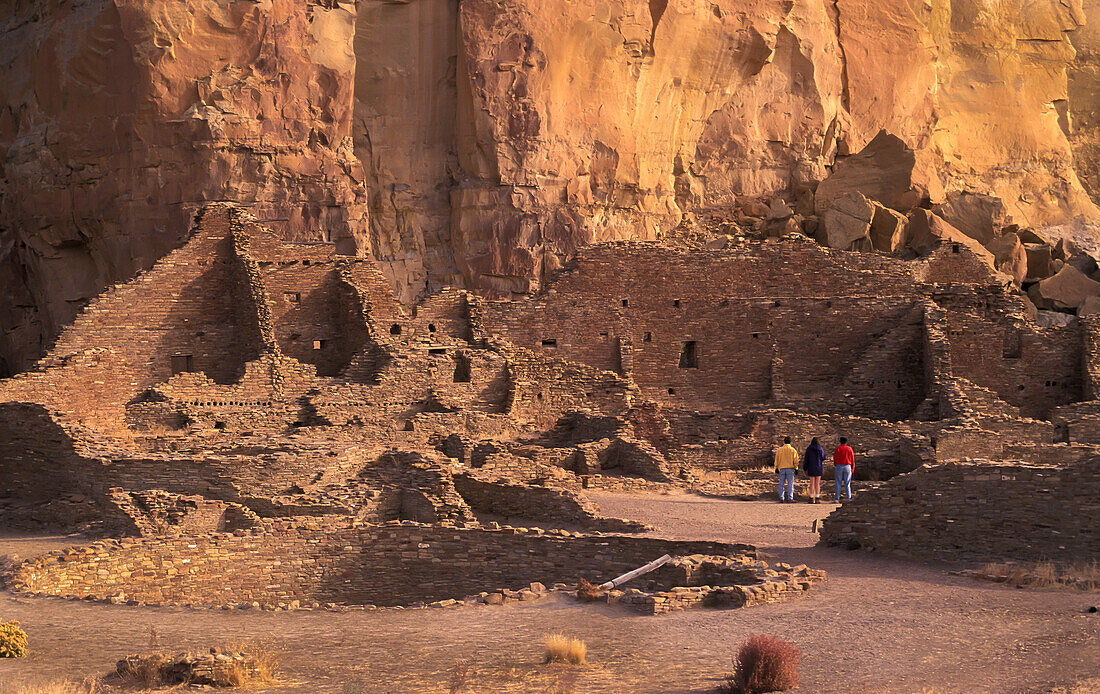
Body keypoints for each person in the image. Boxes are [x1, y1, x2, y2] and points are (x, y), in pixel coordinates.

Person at [774, 436, 798, 503]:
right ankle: (790, 498)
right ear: (790, 442)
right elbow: (796, 460)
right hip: (790, 468)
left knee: (781, 483)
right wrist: (796, 468)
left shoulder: (779, 450)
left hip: (781, 468)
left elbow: (777, 459)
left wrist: (776, 467)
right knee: (790, 483)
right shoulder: (793, 450)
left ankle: (781, 498)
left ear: (784, 442)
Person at [802, 437, 825, 504]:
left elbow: (806, 459)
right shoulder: (820, 449)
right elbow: (823, 457)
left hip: (811, 467)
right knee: (817, 483)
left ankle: (811, 497)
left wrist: (805, 468)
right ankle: (817, 498)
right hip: (818, 467)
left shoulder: (809, 449)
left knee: (812, 483)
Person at [833, 436, 854, 502]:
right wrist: (852, 468)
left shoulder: (838, 448)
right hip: (847, 466)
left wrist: (836, 464)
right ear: (846, 442)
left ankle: (837, 498)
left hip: (839, 466)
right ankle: (848, 498)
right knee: (847, 483)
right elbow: (852, 459)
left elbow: (835, 457)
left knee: (838, 482)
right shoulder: (849, 449)